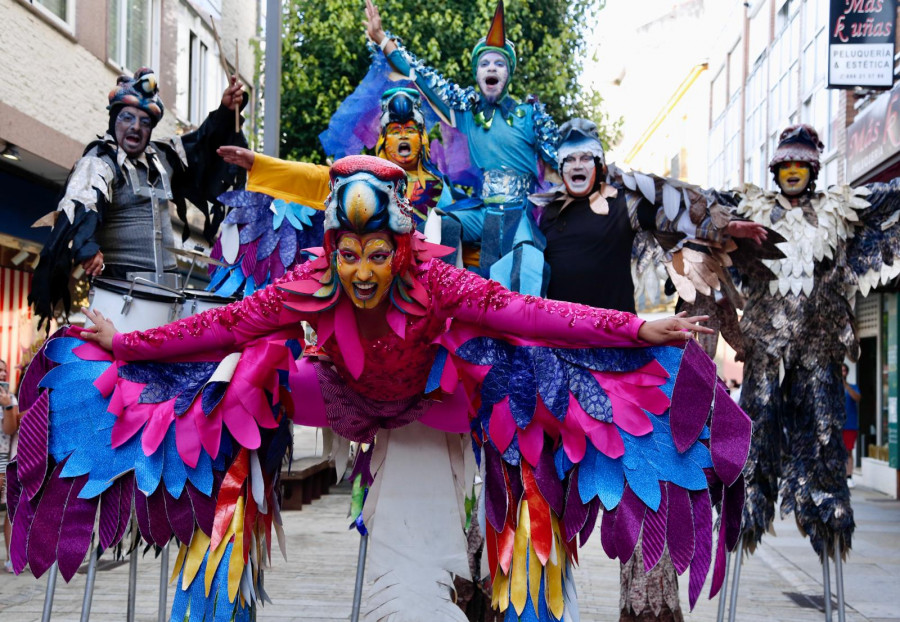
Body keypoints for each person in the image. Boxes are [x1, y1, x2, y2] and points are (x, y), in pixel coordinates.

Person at [10, 156, 751, 621]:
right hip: (343, 400)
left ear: (400, 248)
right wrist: (129, 344)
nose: (362, 274)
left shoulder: (438, 278)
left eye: (376, 255)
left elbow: (537, 313)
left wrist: (634, 331)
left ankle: (503, 567)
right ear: (331, 250)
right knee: (240, 374)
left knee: (519, 370)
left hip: (437, 406)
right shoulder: (309, 283)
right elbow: (225, 326)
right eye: (349, 254)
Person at [535, 119, 768, 622]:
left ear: (598, 163)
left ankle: (649, 611)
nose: (577, 166)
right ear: (559, 166)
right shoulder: (542, 216)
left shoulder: (625, 204)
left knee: (646, 490)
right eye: (568, 158)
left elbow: (680, 213)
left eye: (585, 157)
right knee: (538, 485)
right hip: (557, 363)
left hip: (624, 363)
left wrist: (725, 228)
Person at [728, 124, 900, 561]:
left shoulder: (839, 212)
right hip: (766, 351)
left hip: (818, 350)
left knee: (824, 435)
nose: (791, 172)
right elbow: (692, 208)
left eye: (799, 164)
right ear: (774, 171)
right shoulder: (749, 211)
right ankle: (747, 510)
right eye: (784, 164)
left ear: (812, 170)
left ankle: (828, 518)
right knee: (756, 426)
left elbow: (888, 197)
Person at [365, 0, 560, 296]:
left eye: (499, 63)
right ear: (477, 73)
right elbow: (421, 76)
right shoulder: (467, 113)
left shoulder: (529, 115)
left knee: (525, 268)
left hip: (520, 213)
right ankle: (448, 297)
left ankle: (527, 335)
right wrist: (382, 39)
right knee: (442, 221)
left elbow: (562, 164)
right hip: (485, 212)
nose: (491, 68)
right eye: (485, 63)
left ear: (508, 74)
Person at [29, 67, 248, 325]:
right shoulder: (99, 161)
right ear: (113, 120)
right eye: (127, 118)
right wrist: (88, 249)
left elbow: (201, 144)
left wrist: (225, 111)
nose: (135, 127)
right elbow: (79, 208)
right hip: (121, 293)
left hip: (168, 292)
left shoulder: (162, 156)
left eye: (145, 122)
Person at [0, 359, 20, 573]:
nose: (3, 374)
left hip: (3, 458)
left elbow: (10, 429)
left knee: (10, 510)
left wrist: (7, 405)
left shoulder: (10, 398)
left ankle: (11, 557)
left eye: (4, 371)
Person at [841, 364, 860, 488]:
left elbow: (857, 398)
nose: (842, 372)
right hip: (835, 425)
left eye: (844, 370)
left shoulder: (852, 387)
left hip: (849, 425)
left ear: (847, 373)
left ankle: (849, 476)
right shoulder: (831, 388)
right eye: (840, 370)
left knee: (848, 451)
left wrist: (846, 386)